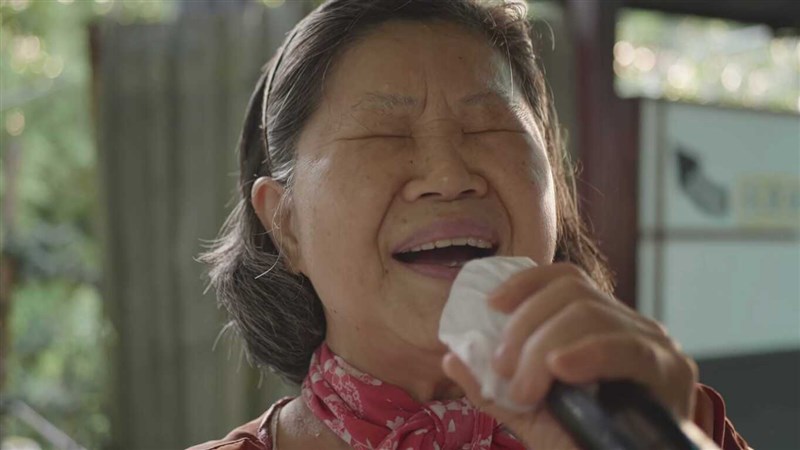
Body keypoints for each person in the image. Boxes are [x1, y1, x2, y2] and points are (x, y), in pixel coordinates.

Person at [190, 1, 750, 449]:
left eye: (490, 128)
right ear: (284, 224)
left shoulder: (677, 425)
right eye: (386, 134)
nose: (449, 175)